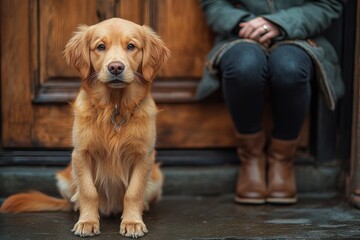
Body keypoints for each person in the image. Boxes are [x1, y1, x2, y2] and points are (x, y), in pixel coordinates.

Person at [197, 0, 344, 204]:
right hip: (239, 36)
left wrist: (279, 23)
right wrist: (250, 25)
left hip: (300, 36)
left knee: (289, 68)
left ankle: (282, 160)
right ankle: (251, 158)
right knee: (245, 66)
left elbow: (329, 4)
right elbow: (213, 4)